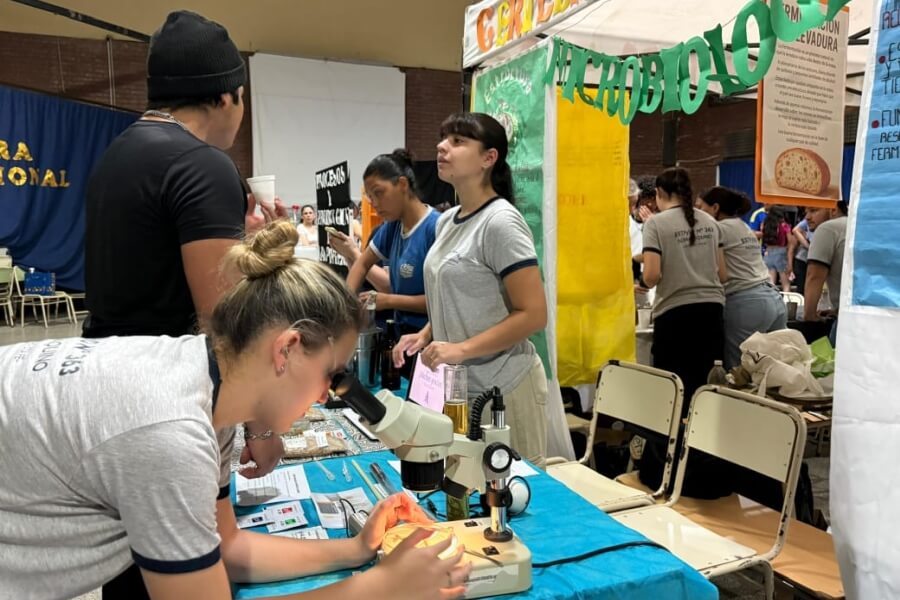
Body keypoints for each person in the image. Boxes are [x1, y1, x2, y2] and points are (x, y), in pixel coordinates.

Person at [0, 221, 470, 600]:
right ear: (285, 350)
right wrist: (381, 589)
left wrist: (354, 549)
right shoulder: (170, 431)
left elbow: (227, 546)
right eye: (331, 373)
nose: (328, 395)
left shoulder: (206, 385)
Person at [81, 11, 285, 596]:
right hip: (162, 403)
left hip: (108, 384)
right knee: (178, 568)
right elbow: (224, 318)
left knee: (131, 562)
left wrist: (239, 240)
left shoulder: (121, 153)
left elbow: (156, 267)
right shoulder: (201, 163)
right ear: (228, 94)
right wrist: (261, 426)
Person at [393, 113, 549, 467]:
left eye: (458, 141)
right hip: (460, 387)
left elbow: (533, 314)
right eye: (443, 138)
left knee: (512, 496)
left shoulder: (501, 222)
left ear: (488, 158)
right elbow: (453, 294)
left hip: (505, 389)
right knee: (464, 489)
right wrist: (425, 334)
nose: (442, 147)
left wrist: (460, 349)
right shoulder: (447, 221)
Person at [638, 167, 728, 497]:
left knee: (672, 394)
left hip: (675, 318)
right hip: (712, 315)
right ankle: (704, 474)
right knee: (703, 394)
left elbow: (651, 276)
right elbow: (723, 273)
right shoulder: (711, 223)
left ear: (660, 195)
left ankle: (666, 473)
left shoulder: (656, 224)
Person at [333, 150, 439, 344]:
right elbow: (362, 264)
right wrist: (346, 305)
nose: (374, 204)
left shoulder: (435, 228)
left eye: (379, 194)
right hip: (401, 334)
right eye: (370, 197)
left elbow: (441, 302)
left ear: (403, 185)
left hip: (430, 338)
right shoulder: (392, 226)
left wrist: (389, 300)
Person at [697, 187, 787, 370]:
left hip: (746, 304)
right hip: (773, 299)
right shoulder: (742, 225)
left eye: (701, 208)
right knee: (774, 371)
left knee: (739, 371)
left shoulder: (717, 228)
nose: (698, 213)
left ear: (715, 208)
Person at [804, 201, 848, 346]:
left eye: (813, 210)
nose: (807, 217)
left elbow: (814, 276)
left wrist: (810, 315)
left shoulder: (828, 228)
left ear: (833, 209)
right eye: (806, 212)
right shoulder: (857, 224)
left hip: (846, 323)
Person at [761, 206, 794, 292]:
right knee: (785, 284)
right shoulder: (784, 226)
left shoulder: (765, 225)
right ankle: (786, 303)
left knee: (770, 284)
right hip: (781, 253)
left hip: (768, 253)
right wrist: (790, 262)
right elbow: (791, 242)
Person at [792, 213, 813, 294]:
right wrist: (807, 245)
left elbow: (795, 230)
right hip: (804, 257)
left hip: (805, 256)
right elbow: (795, 230)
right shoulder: (807, 221)